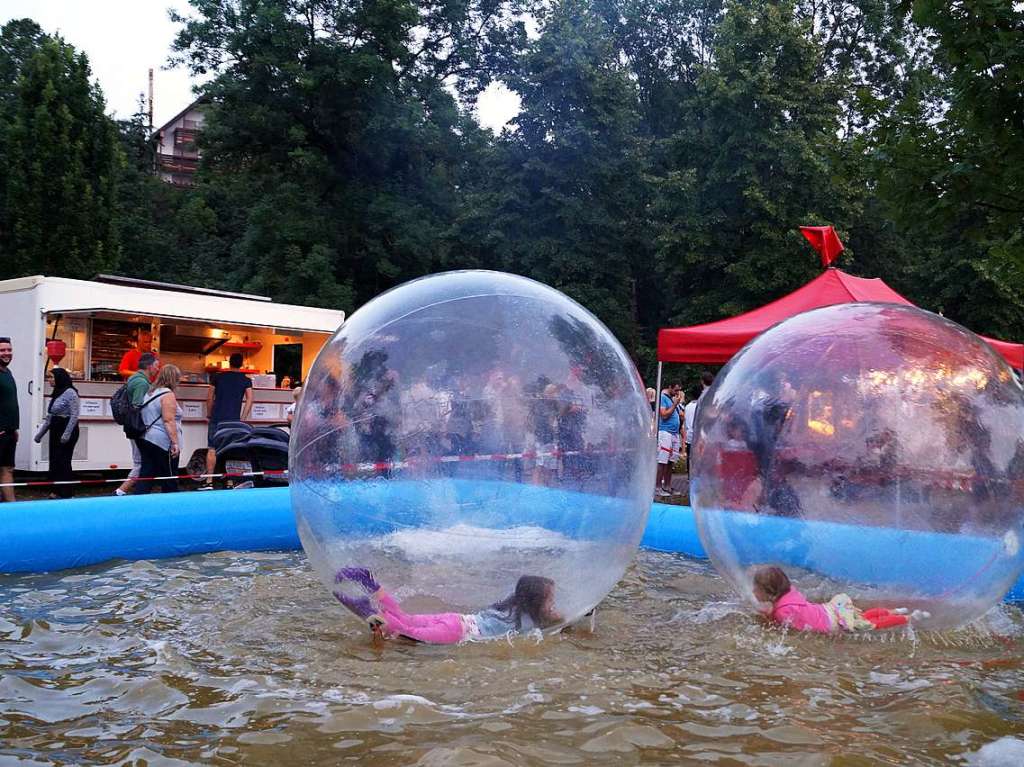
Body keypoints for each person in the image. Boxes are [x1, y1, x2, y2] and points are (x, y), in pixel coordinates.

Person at [334, 568, 564, 644]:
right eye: (550, 601)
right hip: (455, 631)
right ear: (535, 604)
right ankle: (370, 613)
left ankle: (370, 584)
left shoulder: (510, 604)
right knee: (405, 634)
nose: (553, 605)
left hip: (457, 619)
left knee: (406, 618)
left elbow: (524, 588)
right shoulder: (526, 621)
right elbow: (557, 619)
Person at [752, 566, 928, 634]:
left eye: (756, 588)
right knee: (864, 616)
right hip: (833, 608)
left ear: (768, 591)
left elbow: (792, 630)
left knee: (870, 624)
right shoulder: (790, 594)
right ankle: (895, 611)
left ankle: (907, 618)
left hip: (836, 622)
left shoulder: (783, 611)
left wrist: (770, 618)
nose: (752, 591)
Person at [203, 353, 253, 489]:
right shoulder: (246, 380)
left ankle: (209, 481)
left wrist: (209, 414)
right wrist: (243, 418)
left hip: (217, 418)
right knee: (230, 449)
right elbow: (250, 399)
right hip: (234, 420)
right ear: (241, 364)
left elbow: (209, 397)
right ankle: (230, 481)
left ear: (229, 363)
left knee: (212, 448)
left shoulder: (217, 377)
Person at [133, 364, 183, 495]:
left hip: (147, 438)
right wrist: (175, 443)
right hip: (162, 441)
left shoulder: (150, 393)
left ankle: (137, 504)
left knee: (146, 476)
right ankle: (171, 507)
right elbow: (168, 420)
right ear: (174, 379)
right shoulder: (168, 394)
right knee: (169, 478)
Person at [116, 352, 160, 496]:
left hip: (132, 427)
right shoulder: (141, 383)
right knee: (141, 463)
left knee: (141, 461)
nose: (157, 369)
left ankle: (136, 490)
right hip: (138, 428)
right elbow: (137, 406)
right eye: (155, 366)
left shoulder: (134, 379)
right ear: (148, 366)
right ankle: (121, 491)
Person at [33, 368, 81, 499]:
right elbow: (50, 416)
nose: (49, 380)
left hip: (67, 429)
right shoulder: (56, 393)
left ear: (60, 378)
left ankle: (67, 493)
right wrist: (40, 434)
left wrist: (66, 434)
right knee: (54, 461)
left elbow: (74, 415)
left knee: (63, 461)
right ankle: (56, 490)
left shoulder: (70, 393)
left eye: (51, 377)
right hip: (55, 429)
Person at [656, 383, 683, 497]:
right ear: (670, 387)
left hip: (674, 434)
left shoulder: (672, 400)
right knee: (662, 460)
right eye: (675, 390)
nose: (677, 393)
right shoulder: (663, 398)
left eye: (679, 390)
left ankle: (667, 486)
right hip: (665, 432)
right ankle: (657, 487)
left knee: (671, 461)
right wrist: (675, 405)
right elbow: (664, 415)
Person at [0, 337, 19, 502]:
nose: (6, 353)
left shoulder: (8, 372)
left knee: (8, 468)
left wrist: (15, 428)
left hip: (10, 431)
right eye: (2, 350)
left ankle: (12, 507)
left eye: (9, 350)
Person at [683, 384, 701, 475]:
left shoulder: (687, 407)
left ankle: (689, 475)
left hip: (690, 435)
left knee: (690, 457)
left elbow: (685, 422)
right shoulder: (701, 405)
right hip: (698, 436)